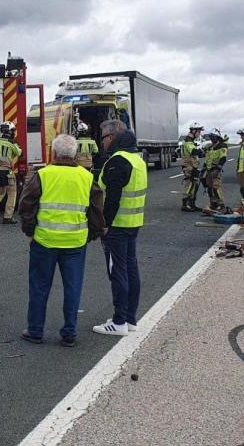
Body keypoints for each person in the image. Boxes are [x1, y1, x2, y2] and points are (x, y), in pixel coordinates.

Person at [17, 134, 104, 347]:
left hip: (44, 240)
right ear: (75, 154)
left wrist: (29, 231)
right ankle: (69, 332)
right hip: (75, 242)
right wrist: (92, 233)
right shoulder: (86, 177)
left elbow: (26, 205)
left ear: (53, 153)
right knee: (72, 288)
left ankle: (35, 330)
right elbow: (96, 210)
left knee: (39, 287)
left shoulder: (43, 175)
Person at [93, 120, 148, 336]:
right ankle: (130, 318)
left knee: (117, 272)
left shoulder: (117, 161)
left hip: (116, 226)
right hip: (133, 223)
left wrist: (104, 224)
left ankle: (118, 322)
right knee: (131, 270)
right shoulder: (137, 159)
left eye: (104, 138)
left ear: (112, 137)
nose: (102, 142)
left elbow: (112, 198)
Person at [202, 131, 230, 213]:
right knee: (209, 189)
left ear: (217, 138)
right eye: (211, 137)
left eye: (213, 137)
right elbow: (207, 159)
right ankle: (213, 204)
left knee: (216, 188)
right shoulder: (210, 147)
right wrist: (203, 170)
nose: (211, 139)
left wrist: (218, 168)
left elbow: (223, 158)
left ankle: (222, 205)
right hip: (209, 170)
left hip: (216, 170)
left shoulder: (222, 146)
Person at [180, 122, 205, 212]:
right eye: (199, 131)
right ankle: (185, 204)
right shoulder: (188, 141)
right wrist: (202, 151)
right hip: (188, 166)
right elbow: (193, 151)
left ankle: (192, 204)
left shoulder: (190, 140)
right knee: (189, 184)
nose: (199, 134)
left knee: (195, 184)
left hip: (192, 166)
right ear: (194, 131)